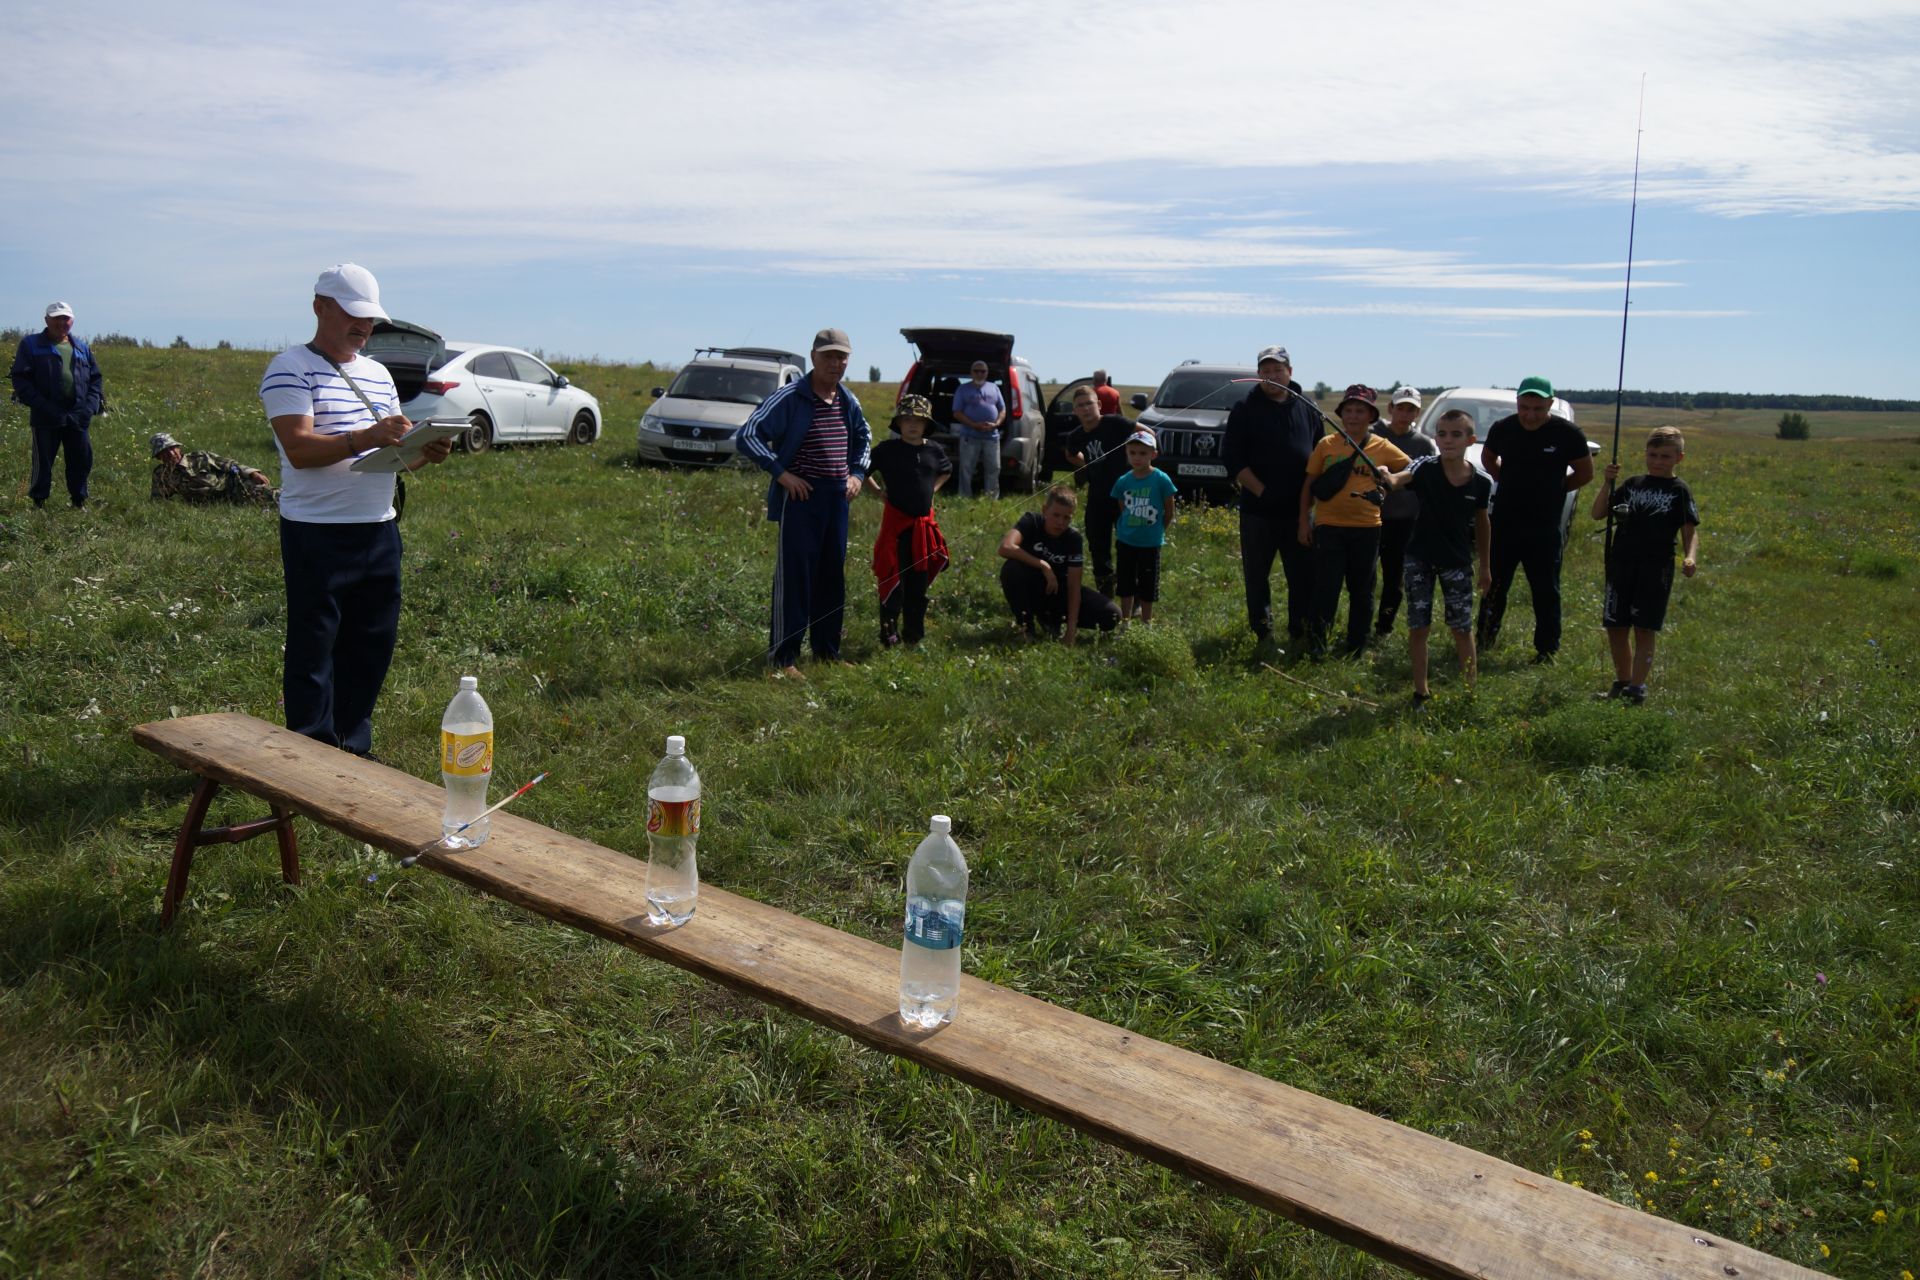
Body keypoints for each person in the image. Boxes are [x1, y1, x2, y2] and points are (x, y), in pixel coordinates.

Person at [260, 263, 454, 756]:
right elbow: (300, 450)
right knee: (315, 646)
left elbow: (384, 454)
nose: (364, 328)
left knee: (372, 643)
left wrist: (422, 451)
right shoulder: (289, 367)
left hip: (378, 529)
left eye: (369, 320)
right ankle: (309, 752)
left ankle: (352, 744)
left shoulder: (377, 373)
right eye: (354, 315)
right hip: (317, 532)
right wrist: (367, 436)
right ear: (320, 307)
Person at [737, 327, 872, 679]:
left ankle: (827, 651)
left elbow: (865, 438)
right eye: (828, 355)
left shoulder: (847, 400)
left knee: (831, 576)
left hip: (836, 501)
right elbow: (748, 435)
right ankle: (784, 659)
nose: (835, 363)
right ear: (813, 356)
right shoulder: (791, 397)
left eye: (842, 357)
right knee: (796, 578)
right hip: (800, 499)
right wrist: (782, 474)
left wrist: (857, 474)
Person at [1474, 375, 1594, 663]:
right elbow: (1489, 459)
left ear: (1550, 404)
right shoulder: (1504, 429)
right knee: (1495, 585)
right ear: (1517, 403)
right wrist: (1505, 478)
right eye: (1525, 407)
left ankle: (1546, 649)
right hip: (1505, 521)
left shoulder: (1567, 434)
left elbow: (1585, 473)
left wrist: (1556, 489)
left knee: (1545, 589)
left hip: (1544, 526)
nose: (1530, 414)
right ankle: (1483, 641)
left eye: (1538, 408)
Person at [1380, 409, 1492, 709]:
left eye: (1456, 434)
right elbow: (1399, 478)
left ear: (1470, 439)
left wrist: (1486, 567)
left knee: (1462, 628)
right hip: (1419, 559)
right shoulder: (1425, 469)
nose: (1448, 440)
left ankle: (1470, 692)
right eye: (1442, 434)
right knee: (1419, 627)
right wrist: (1386, 477)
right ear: (1435, 437)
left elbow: (1482, 524)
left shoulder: (1481, 482)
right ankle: (1421, 691)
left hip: (1457, 562)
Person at [1297, 385, 1411, 658]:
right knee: (1326, 587)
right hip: (1328, 527)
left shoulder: (1382, 447)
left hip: (1368, 529)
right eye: (1348, 410)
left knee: (1362, 591)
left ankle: (1356, 646)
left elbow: (1412, 468)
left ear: (1371, 415)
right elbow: (1308, 486)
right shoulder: (1326, 445)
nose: (1353, 416)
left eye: (1360, 410)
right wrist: (1304, 521)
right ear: (1340, 413)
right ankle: (1317, 644)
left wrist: (1389, 479)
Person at [1590, 426, 1699, 704]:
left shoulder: (1679, 491)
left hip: (1655, 568)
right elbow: (1597, 513)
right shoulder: (1631, 484)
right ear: (1645, 454)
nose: (1658, 461)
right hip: (1621, 564)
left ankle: (1637, 689)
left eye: (1665, 456)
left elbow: (1689, 529)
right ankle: (1623, 681)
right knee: (1615, 625)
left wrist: (1690, 556)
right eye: (1653, 455)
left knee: (1644, 628)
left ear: (1679, 458)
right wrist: (1607, 482)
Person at [1222, 345, 1321, 645]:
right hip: (1258, 511)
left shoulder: (1308, 408)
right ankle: (1262, 631)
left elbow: (1321, 455)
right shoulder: (1245, 409)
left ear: (1290, 372)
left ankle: (1299, 630)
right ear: (1258, 376)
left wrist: (1311, 499)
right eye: (1265, 371)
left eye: (1278, 370)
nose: (1272, 375)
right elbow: (1233, 460)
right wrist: (1263, 492)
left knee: (1302, 576)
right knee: (1257, 575)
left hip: (1299, 512)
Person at [865, 394, 951, 647]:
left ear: (927, 425)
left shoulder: (934, 449)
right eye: (907, 419)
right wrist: (879, 492)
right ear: (899, 423)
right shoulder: (887, 450)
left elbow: (946, 471)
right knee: (893, 580)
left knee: (917, 586)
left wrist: (932, 491)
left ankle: (914, 637)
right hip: (897, 527)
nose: (913, 424)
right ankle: (889, 636)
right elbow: (862, 469)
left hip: (922, 529)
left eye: (919, 420)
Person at [10, 302, 104, 509]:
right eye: (56, 318)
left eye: (66, 318)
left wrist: (90, 407)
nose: (62, 322)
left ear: (72, 321)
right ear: (46, 320)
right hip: (46, 415)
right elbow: (21, 380)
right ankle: (38, 502)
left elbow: (95, 379)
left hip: (78, 415)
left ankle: (79, 501)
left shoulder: (81, 347)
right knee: (43, 461)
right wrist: (44, 406)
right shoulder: (31, 344)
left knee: (81, 459)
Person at [998, 485, 1120, 643]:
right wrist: (1043, 565)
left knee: (1112, 614)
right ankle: (1026, 628)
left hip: (1059, 592)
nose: (1060, 522)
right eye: (1055, 515)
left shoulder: (1073, 538)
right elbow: (1005, 547)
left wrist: (1071, 630)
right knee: (1011, 569)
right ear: (1044, 510)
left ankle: (1051, 620)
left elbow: (1074, 586)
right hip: (1032, 586)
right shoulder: (1031, 521)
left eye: (1066, 517)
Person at [1372, 386, 1437, 636]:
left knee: (1394, 578)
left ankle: (1384, 627)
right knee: (1364, 576)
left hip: (1404, 520)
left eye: (1411, 409)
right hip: (1370, 517)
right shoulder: (1373, 434)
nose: (1404, 413)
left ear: (1417, 413)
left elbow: (1429, 483)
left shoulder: (1423, 444)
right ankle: (1359, 625)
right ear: (1390, 409)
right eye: (1400, 407)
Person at [1061, 382, 1133, 595]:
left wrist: (1140, 463)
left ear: (1099, 405)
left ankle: (1132, 592)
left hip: (1125, 495)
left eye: (1089, 404)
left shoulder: (1115, 423)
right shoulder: (1076, 436)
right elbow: (1070, 454)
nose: (1085, 409)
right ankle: (1106, 595)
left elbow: (1145, 433)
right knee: (1097, 545)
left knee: (1128, 544)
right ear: (1075, 411)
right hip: (1098, 496)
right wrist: (1085, 463)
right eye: (1080, 405)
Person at [1109, 428, 1177, 624]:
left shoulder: (1161, 480)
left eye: (1143, 453)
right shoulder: (1123, 481)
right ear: (1127, 453)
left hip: (1150, 543)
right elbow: (1123, 507)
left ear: (1153, 455)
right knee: (1125, 583)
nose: (1137, 458)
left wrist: (1158, 531)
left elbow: (1169, 511)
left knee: (1148, 585)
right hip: (1126, 541)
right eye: (1132, 453)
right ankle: (1125, 622)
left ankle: (1147, 624)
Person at [149, 432, 277, 506]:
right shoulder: (161, 474)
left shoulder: (200, 457)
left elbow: (229, 464)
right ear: (159, 457)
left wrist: (253, 473)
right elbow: (158, 501)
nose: (171, 454)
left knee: (274, 497)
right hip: (209, 505)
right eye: (164, 452)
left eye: (172, 448)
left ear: (178, 448)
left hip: (232, 489)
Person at [950, 359, 1006, 499]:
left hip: (992, 436)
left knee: (994, 468)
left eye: (983, 371)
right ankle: (964, 497)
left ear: (987, 373)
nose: (980, 373)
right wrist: (974, 425)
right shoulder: (963, 389)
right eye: (976, 371)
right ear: (971, 373)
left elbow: (1002, 409)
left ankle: (991, 498)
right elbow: (957, 412)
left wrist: (997, 423)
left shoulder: (994, 388)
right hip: (970, 435)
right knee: (966, 468)